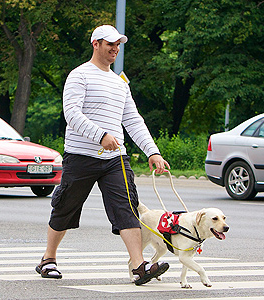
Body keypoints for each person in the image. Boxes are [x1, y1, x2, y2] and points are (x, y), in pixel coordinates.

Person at [35, 25, 171, 286]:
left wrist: (152, 151)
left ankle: (139, 266)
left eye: (118, 45)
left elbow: (133, 120)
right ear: (95, 44)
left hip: (115, 159)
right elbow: (72, 115)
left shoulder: (120, 82)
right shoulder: (79, 76)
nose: (115, 49)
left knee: (127, 209)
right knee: (65, 207)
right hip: (81, 155)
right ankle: (48, 259)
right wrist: (100, 135)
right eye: (110, 44)